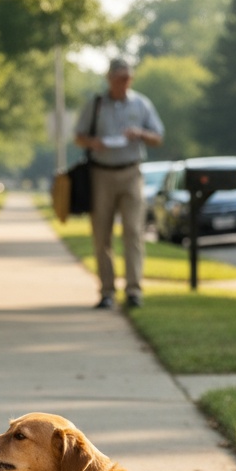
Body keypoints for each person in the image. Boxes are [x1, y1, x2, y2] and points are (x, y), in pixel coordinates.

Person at [73, 57, 164, 309]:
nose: (124, 83)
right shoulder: (96, 105)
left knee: (133, 232)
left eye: (128, 78)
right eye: (119, 78)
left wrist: (140, 134)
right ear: (110, 79)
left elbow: (158, 137)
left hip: (131, 172)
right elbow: (78, 136)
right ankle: (107, 291)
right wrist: (93, 142)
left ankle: (134, 290)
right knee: (102, 234)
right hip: (101, 174)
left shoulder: (141, 104)